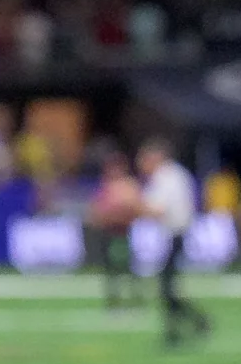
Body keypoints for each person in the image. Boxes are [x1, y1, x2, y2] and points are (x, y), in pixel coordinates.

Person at [136, 138, 211, 349]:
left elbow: (157, 209)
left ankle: (181, 328)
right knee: (167, 286)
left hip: (176, 234)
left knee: (166, 286)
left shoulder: (165, 177)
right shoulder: (176, 174)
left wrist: (131, 204)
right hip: (178, 233)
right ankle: (192, 323)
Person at [87, 153, 144, 308]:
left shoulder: (128, 186)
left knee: (128, 267)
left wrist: (118, 213)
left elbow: (136, 207)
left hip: (124, 232)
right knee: (111, 270)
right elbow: (96, 211)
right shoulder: (105, 187)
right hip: (109, 233)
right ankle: (114, 300)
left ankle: (135, 298)